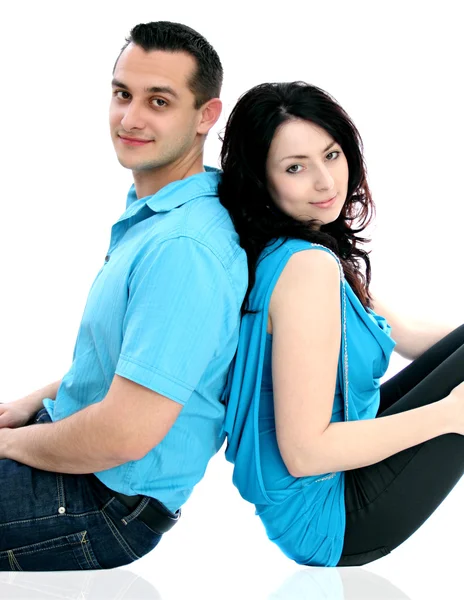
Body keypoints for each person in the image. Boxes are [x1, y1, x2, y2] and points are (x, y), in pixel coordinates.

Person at [0, 21, 247, 571]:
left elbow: (125, 434)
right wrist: (34, 404)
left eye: (159, 101)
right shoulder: (160, 215)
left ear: (206, 116)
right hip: (77, 458)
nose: (130, 118)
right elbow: (129, 361)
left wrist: (12, 445)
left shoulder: (185, 248)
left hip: (102, 503)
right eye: (122, 94)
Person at [218, 81, 464, 567]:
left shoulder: (290, 249)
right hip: (336, 514)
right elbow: (305, 454)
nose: (326, 183)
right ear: (260, 180)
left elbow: (409, 334)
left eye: (330, 155)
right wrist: (451, 415)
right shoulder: (305, 269)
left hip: (333, 486)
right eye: (295, 168)